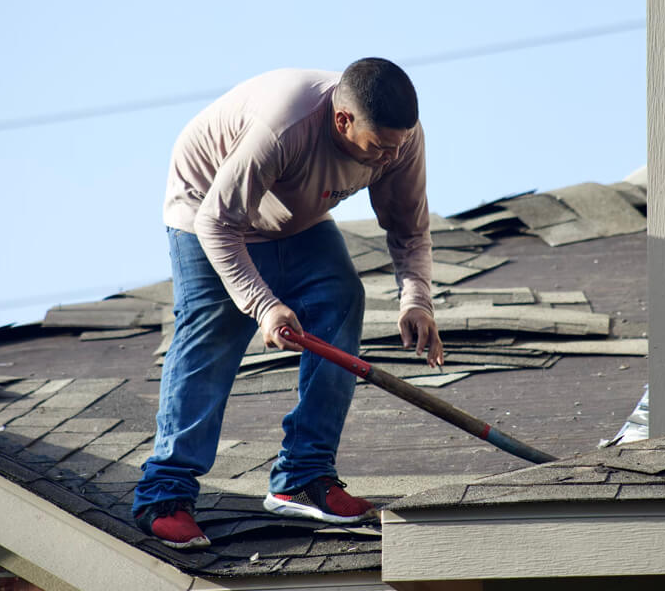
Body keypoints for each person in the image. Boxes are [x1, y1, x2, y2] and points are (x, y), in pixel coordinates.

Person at [132, 57, 443, 550]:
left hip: (294, 217)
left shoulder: (400, 139)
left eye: (398, 145)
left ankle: (302, 477)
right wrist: (263, 305)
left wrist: (417, 300)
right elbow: (217, 222)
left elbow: (409, 228)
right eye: (380, 147)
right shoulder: (284, 126)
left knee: (341, 298)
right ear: (343, 120)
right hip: (207, 209)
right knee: (212, 333)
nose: (390, 157)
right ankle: (164, 495)